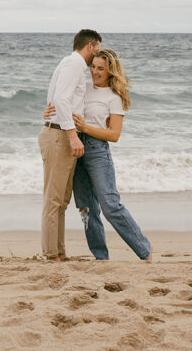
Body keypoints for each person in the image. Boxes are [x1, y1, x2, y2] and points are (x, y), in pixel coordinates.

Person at [45, 48, 151, 261]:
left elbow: (114, 135)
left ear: (111, 71)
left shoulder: (114, 97)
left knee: (110, 205)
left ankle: (144, 250)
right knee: (86, 209)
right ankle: (101, 257)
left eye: (101, 68)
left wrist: (84, 128)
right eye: (93, 66)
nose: (95, 72)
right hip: (73, 148)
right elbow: (62, 100)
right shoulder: (83, 88)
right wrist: (48, 112)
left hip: (97, 151)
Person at [39, 29, 101, 262]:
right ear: (91, 46)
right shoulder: (74, 64)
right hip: (58, 137)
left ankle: (59, 251)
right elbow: (61, 99)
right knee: (54, 200)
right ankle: (51, 253)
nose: (99, 53)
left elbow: (58, 99)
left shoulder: (72, 65)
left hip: (58, 132)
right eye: (98, 48)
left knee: (62, 200)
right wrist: (73, 136)